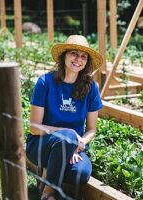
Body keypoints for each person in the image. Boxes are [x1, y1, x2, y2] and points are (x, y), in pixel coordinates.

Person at [26, 35, 104, 200]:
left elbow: (91, 129)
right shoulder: (45, 82)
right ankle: (48, 193)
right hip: (41, 144)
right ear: (64, 56)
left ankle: (48, 173)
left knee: (81, 173)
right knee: (67, 136)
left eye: (83, 56)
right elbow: (34, 127)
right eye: (74, 53)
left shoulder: (91, 88)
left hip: (74, 146)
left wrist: (80, 142)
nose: (78, 59)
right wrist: (68, 135)